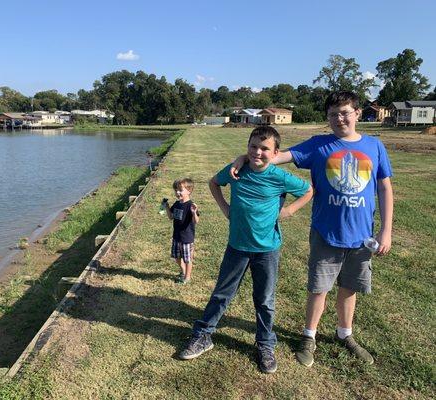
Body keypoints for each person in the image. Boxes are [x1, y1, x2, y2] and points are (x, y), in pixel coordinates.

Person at [230, 91, 394, 367]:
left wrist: (386, 231)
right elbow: (278, 156)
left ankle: (345, 334)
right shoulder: (319, 145)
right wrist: (243, 157)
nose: (339, 118)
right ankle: (309, 336)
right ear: (327, 118)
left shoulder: (374, 146)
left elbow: (384, 187)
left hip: (362, 236)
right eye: (333, 114)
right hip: (326, 232)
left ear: (356, 113)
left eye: (344, 112)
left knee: (349, 287)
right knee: (319, 288)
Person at [178, 126, 313, 374]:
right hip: (237, 246)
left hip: (267, 249)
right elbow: (214, 183)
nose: (258, 152)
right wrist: (224, 207)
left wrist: (290, 210)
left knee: (265, 300)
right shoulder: (236, 170)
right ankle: (203, 335)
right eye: (253, 147)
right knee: (221, 294)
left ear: (275, 153)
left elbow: (307, 191)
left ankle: (264, 344)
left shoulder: (280, 177)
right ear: (247, 147)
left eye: (264, 149)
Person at [164, 178, 199, 284]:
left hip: (187, 238)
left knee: (188, 259)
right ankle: (183, 272)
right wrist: (167, 207)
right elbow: (171, 217)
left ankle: (187, 277)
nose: (177, 192)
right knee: (177, 257)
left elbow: (196, 221)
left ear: (189, 191)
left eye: (180, 190)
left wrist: (194, 213)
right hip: (176, 236)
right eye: (176, 190)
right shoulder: (177, 204)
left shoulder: (190, 205)